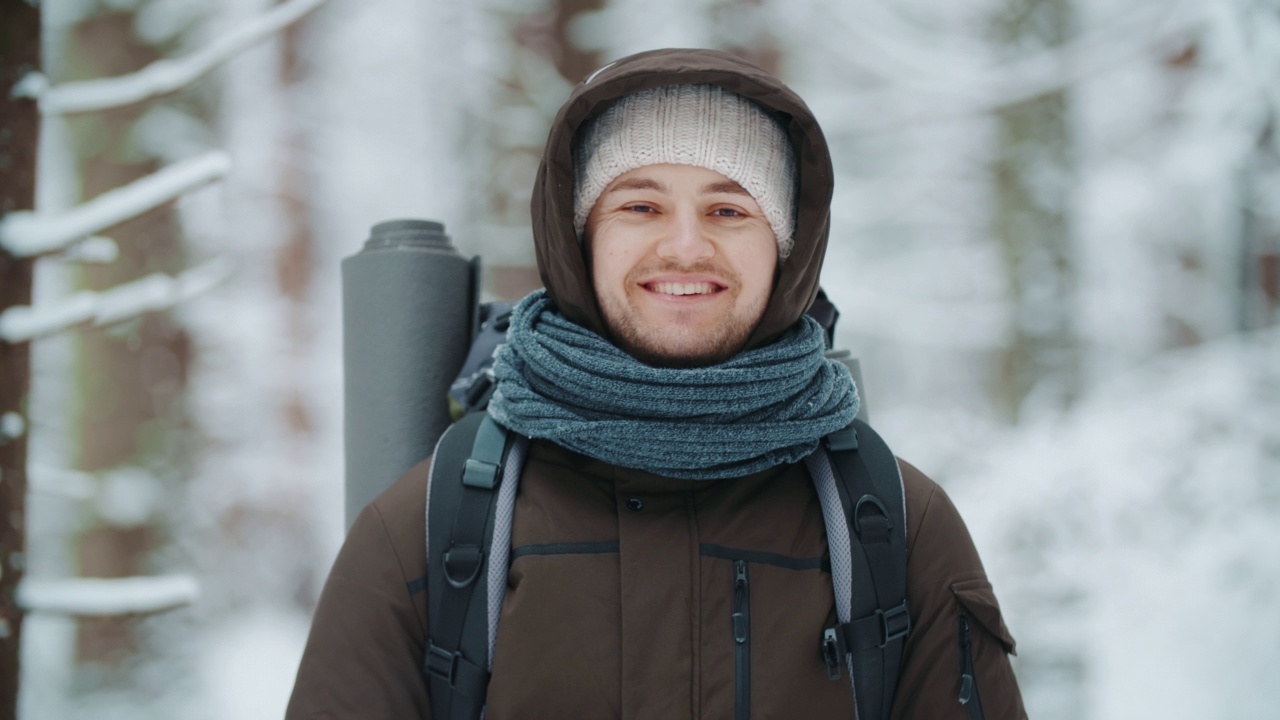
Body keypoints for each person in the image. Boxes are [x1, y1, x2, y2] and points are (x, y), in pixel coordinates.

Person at [286, 48, 1027, 719]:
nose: (685, 245)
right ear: (580, 238)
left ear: (787, 251)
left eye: (729, 209)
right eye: (640, 206)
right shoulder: (429, 529)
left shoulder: (896, 528)